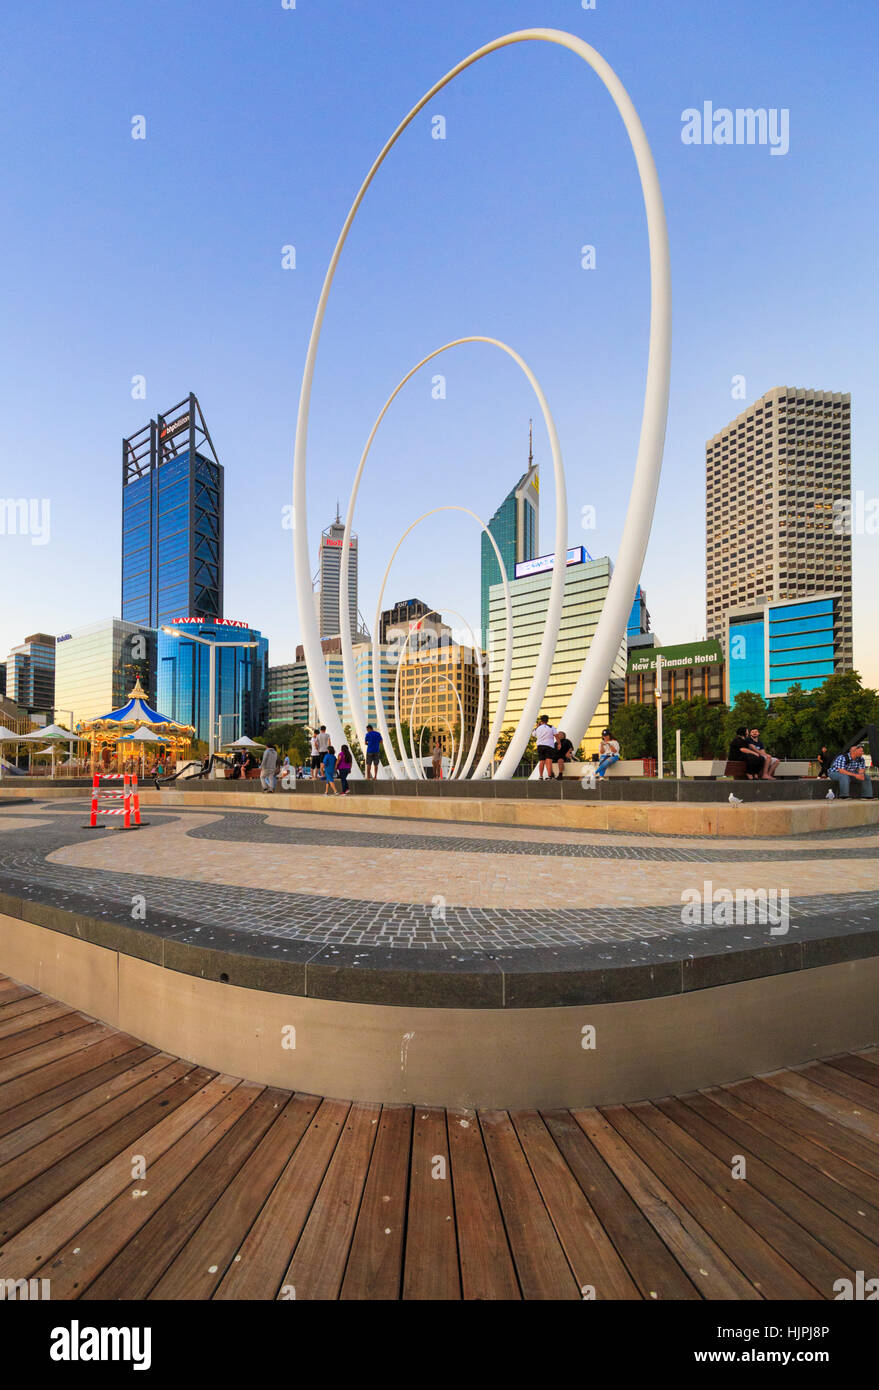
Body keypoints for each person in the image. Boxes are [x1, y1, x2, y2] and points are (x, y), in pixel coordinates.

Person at [533, 715, 558, 780]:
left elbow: (533, 735)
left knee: (541, 761)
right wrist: (559, 743)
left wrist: (537, 726)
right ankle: (550, 776)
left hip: (540, 746)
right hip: (549, 745)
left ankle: (541, 776)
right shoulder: (551, 727)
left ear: (541, 720)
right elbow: (556, 735)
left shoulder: (537, 728)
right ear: (547, 720)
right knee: (548, 761)